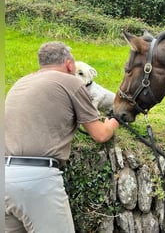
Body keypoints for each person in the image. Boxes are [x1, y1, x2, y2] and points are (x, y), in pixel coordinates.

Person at [5, 41, 119, 233]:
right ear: (69, 63)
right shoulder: (71, 81)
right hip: (37, 180)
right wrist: (115, 120)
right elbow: (100, 134)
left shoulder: (20, 83)